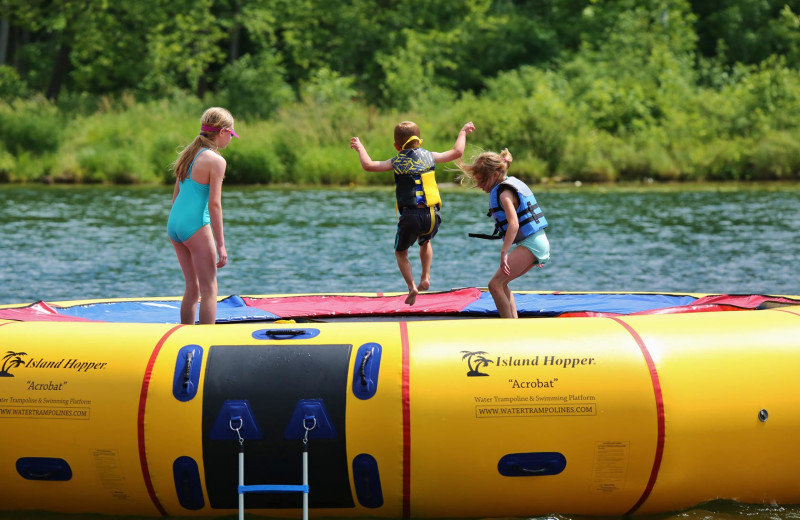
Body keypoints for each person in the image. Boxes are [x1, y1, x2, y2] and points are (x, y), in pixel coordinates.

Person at [350, 121, 475, 305]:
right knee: (425, 241)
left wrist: (360, 147)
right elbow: (457, 152)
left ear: (396, 146)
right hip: (431, 215)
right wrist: (463, 132)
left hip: (409, 217)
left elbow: (369, 165)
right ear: (420, 141)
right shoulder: (430, 156)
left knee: (401, 252)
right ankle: (426, 276)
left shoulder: (396, 161)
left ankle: (412, 287)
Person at [166, 107, 238, 324]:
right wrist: (221, 245)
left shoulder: (188, 153)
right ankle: (205, 341)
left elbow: (175, 197)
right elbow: (214, 205)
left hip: (175, 224)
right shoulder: (216, 161)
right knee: (209, 289)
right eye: (232, 135)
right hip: (195, 224)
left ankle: (184, 336)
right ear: (223, 132)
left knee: (192, 286)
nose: (231, 140)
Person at [458, 148, 550, 318]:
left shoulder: (504, 193)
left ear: (493, 176)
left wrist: (504, 252)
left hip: (532, 244)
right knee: (502, 284)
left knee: (494, 285)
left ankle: (508, 327)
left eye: (481, 180)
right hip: (535, 243)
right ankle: (513, 322)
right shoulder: (504, 184)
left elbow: (514, 224)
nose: (479, 185)